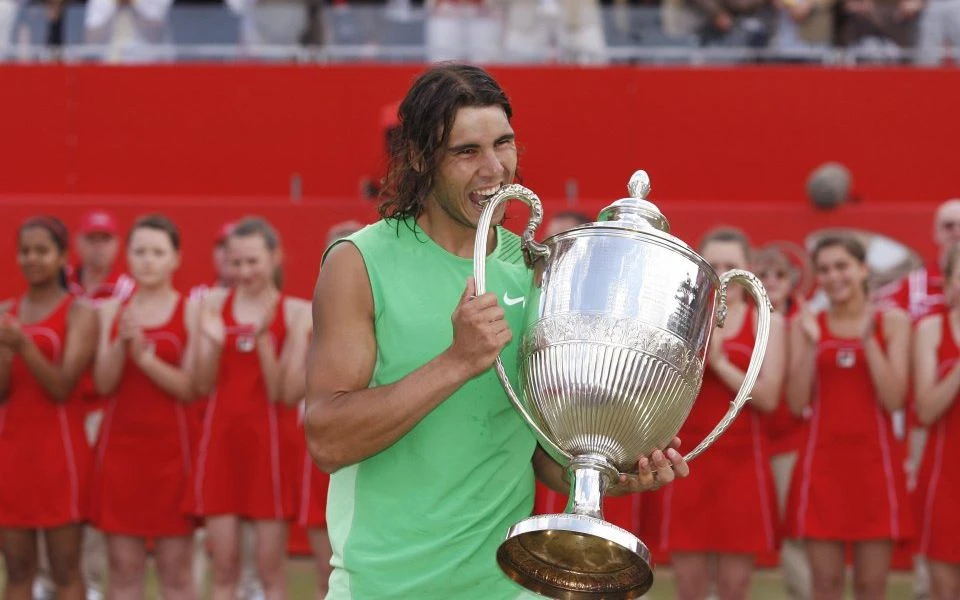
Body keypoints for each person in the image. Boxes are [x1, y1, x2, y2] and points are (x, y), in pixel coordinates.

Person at [303, 62, 689, 600]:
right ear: (419, 157)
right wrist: (456, 362)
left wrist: (612, 469)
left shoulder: (536, 270)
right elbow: (327, 438)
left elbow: (538, 455)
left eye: (503, 144)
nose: (494, 168)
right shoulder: (357, 262)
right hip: (383, 587)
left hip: (508, 587)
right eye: (467, 152)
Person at [657, 227, 787, 600]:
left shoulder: (768, 323)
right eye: (714, 264)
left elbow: (768, 397)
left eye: (732, 265)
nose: (724, 273)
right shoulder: (678, 320)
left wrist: (718, 362)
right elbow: (659, 392)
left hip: (742, 463)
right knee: (689, 586)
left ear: (749, 269)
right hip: (687, 460)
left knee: (735, 587)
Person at [785, 234, 914, 599]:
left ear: (862, 269)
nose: (833, 276)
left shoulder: (894, 322)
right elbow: (796, 404)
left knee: (871, 587)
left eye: (842, 266)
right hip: (821, 469)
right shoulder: (808, 324)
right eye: (824, 269)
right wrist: (810, 344)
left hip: (876, 470)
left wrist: (868, 339)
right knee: (825, 586)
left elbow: (895, 399)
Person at [193, 216, 310, 600]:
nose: (244, 272)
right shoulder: (211, 304)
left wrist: (261, 341)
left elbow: (284, 394)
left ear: (275, 257)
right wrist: (211, 343)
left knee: (269, 568)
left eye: (252, 261)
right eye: (236, 262)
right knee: (223, 565)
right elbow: (201, 384)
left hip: (269, 448)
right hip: (221, 445)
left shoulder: (295, 311)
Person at [89, 215, 199, 600]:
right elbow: (102, 384)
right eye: (139, 251)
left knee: (176, 572)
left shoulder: (191, 311)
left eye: (157, 252)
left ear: (175, 258)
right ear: (128, 256)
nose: (148, 260)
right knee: (122, 569)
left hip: (172, 455)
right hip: (120, 454)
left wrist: (146, 358)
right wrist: (122, 343)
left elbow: (191, 388)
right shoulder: (108, 312)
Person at [0, 216, 98, 600]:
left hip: (61, 454)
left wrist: (23, 345)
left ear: (61, 256)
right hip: (12, 452)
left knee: (64, 569)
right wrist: (5, 355)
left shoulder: (80, 313)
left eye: (42, 250)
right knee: (18, 568)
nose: (31, 259)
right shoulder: (7, 310)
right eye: (24, 251)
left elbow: (62, 386)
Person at [752, 243, 812, 600]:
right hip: (747, 440)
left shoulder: (802, 322)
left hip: (787, 441)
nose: (772, 280)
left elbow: (792, 396)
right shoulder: (734, 317)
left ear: (793, 282)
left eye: (780, 275)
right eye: (764, 274)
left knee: (794, 533)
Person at [912, 241, 960, 600]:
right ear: (948, 280)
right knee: (944, 589)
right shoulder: (931, 329)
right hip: (946, 477)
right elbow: (926, 410)